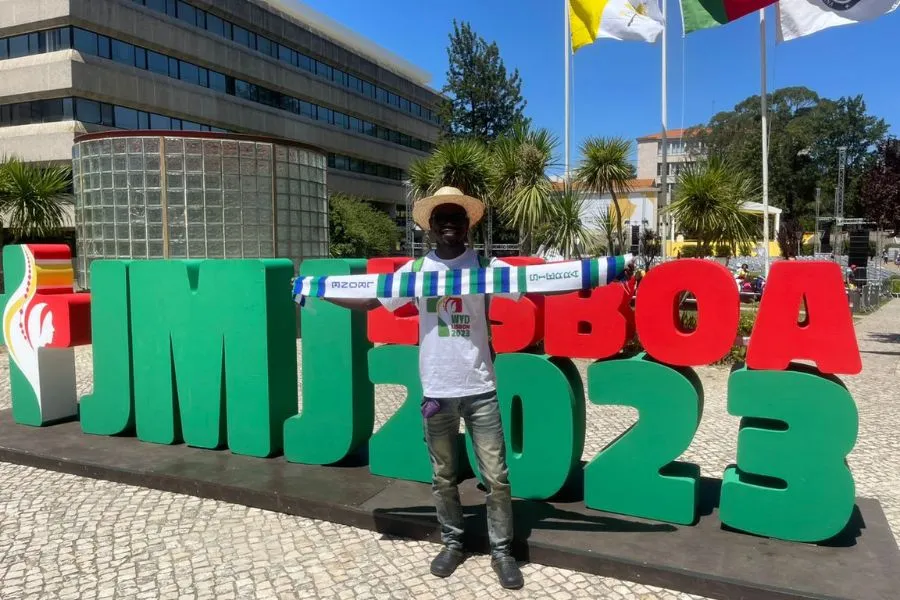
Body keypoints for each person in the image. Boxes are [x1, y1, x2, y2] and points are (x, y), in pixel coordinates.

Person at [324, 186, 524, 590]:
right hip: (437, 392)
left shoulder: (486, 267)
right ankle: (453, 542)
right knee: (443, 476)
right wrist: (317, 291)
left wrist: (605, 274)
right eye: (441, 217)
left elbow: (537, 286)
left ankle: (502, 551)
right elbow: (369, 302)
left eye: (457, 216)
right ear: (429, 227)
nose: (450, 223)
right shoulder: (415, 274)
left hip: (480, 389)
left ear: (468, 224)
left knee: (497, 478)